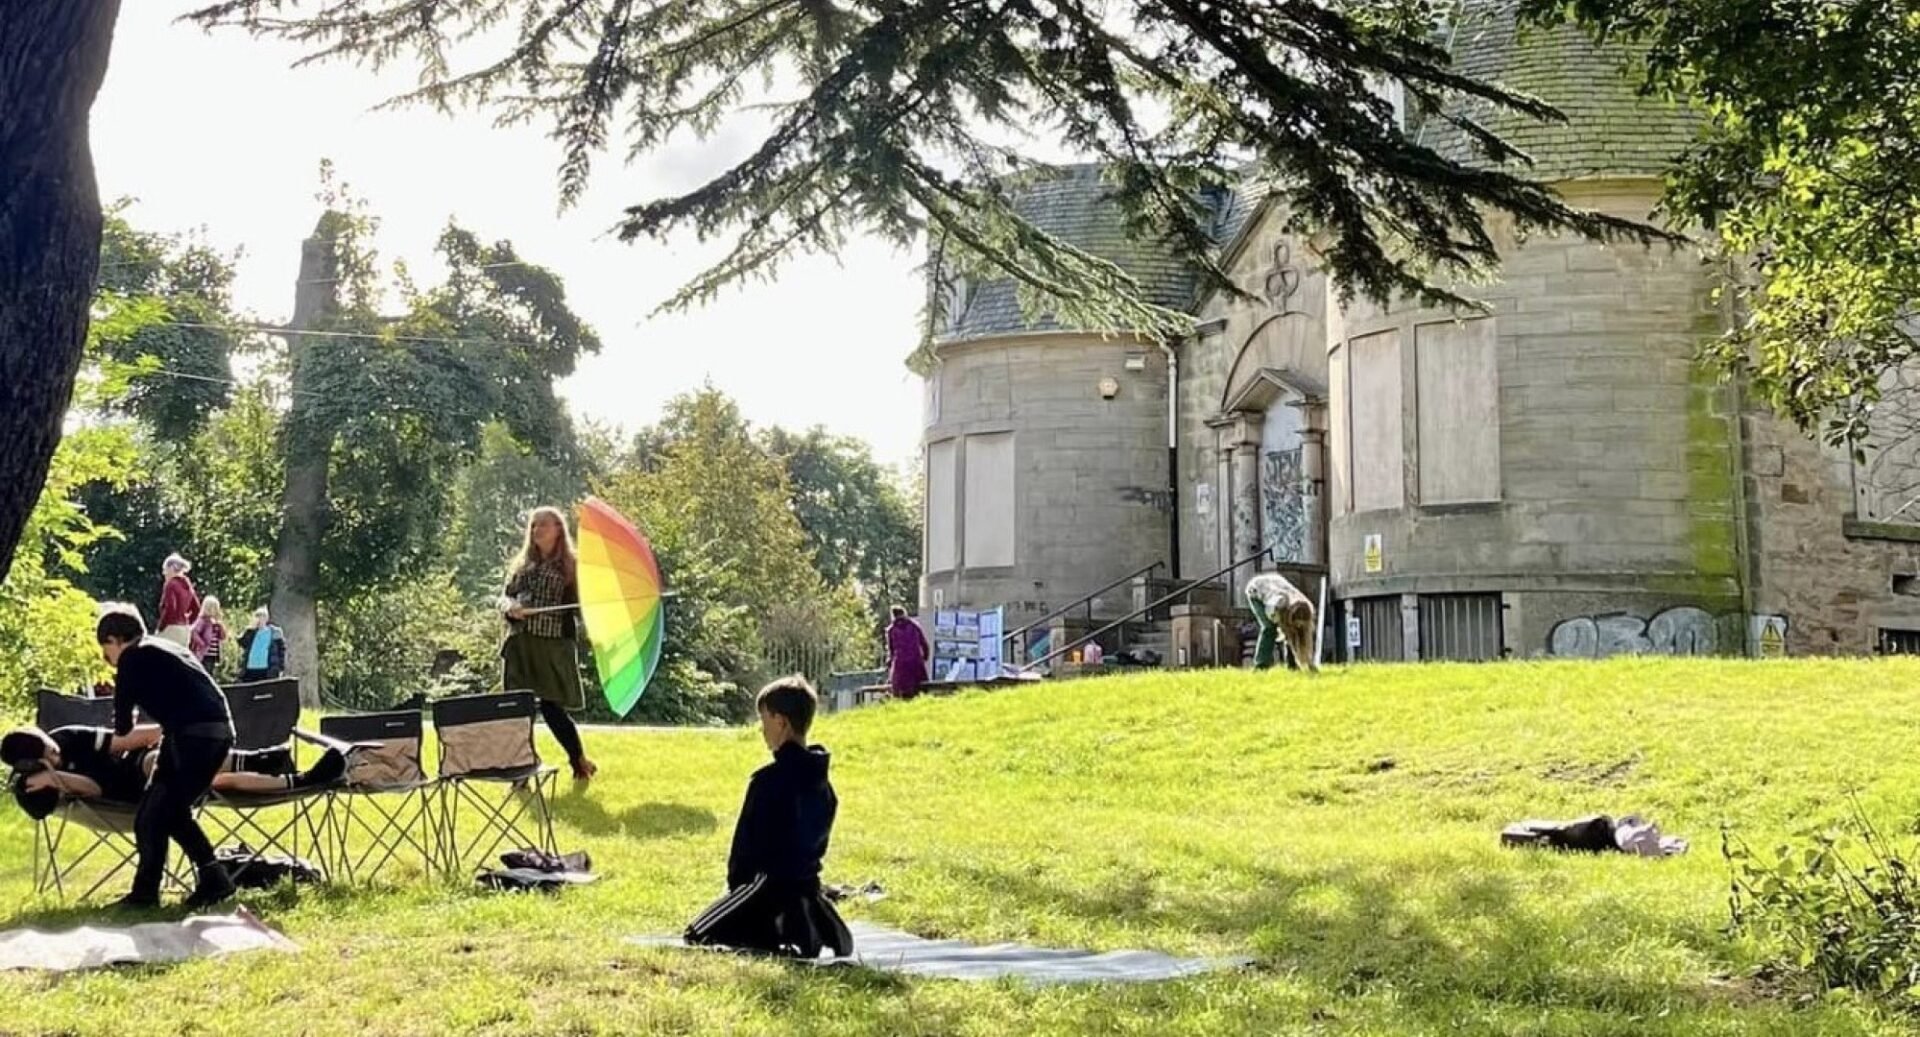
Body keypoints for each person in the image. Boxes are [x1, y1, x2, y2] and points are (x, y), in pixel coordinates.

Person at [684, 676, 852, 959]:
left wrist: (738, 892)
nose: (762, 731)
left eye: (764, 722)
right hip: (808, 890)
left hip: (765, 886)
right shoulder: (822, 784)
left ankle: (767, 929)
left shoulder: (768, 782)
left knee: (696, 933)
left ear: (780, 722)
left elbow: (747, 850)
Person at [97, 603, 237, 909]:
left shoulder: (132, 658)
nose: (107, 659)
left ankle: (147, 894)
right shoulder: (166, 647)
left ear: (114, 640)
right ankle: (213, 879)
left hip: (193, 737)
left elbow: (122, 727)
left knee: (153, 815)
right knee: (165, 812)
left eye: (106, 651)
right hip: (213, 732)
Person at [4, 724, 348, 820]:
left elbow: (127, 739)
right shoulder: (34, 786)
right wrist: (53, 778)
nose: (57, 751)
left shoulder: (67, 738)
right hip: (132, 799)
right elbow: (93, 789)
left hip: (139, 766)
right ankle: (274, 768)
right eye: (51, 754)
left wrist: (171, 731)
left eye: (51, 744)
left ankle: (281, 772)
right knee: (175, 768)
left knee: (167, 757)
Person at [500, 506, 598, 782]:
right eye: (533, 525)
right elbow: (504, 597)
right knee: (518, 709)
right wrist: (511, 606)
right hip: (521, 645)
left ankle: (579, 762)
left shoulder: (572, 566)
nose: (537, 530)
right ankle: (520, 771)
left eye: (543, 525)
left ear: (558, 529)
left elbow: (585, 606)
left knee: (553, 708)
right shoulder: (522, 565)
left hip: (553, 645)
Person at [1245, 571, 1319, 673]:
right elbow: (1283, 629)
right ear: (1290, 617)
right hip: (1257, 590)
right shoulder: (1278, 604)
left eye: (1301, 624)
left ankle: (1293, 666)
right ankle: (1261, 666)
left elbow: (1305, 638)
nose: (1299, 626)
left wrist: (1309, 664)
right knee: (1269, 628)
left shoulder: (1308, 608)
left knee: (1294, 633)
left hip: (1277, 584)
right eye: (1297, 623)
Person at [884, 606, 931, 700]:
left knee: (900, 694)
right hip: (916, 664)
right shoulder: (915, 626)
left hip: (900, 667)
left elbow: (891, 652)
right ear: (904, 613)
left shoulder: (891, 630)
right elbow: (925, 645)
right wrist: (924, 658)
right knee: (921, 691)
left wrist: (889, 665)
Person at [156, 553, 200, 648]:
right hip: (184, 629)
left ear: (172, 568)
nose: (164, 573)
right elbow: (196, 608)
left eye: (165, 569)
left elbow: (170, 607)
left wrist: (161, 627)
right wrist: (187, 622)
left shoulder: (171, 584)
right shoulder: (188, 586)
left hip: (171, 628)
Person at [237, 607, 287, 682]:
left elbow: (281, 650)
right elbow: (242, 642)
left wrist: (281, 668)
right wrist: (249, 629)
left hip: (267, 669)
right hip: (250, 668)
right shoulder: (251, 632)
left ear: (266, 618)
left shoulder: (275, 632)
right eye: (257, 616)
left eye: (262, 616)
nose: (260, 619)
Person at [189, 596, 228, 676]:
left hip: (213, 654)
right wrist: (202, 643)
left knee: (210, 672)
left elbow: (223, 637)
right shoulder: (203, 621)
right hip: (205, 653)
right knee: (205, 673)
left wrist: (221, 627)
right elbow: (193, 631)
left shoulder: (216, 622)